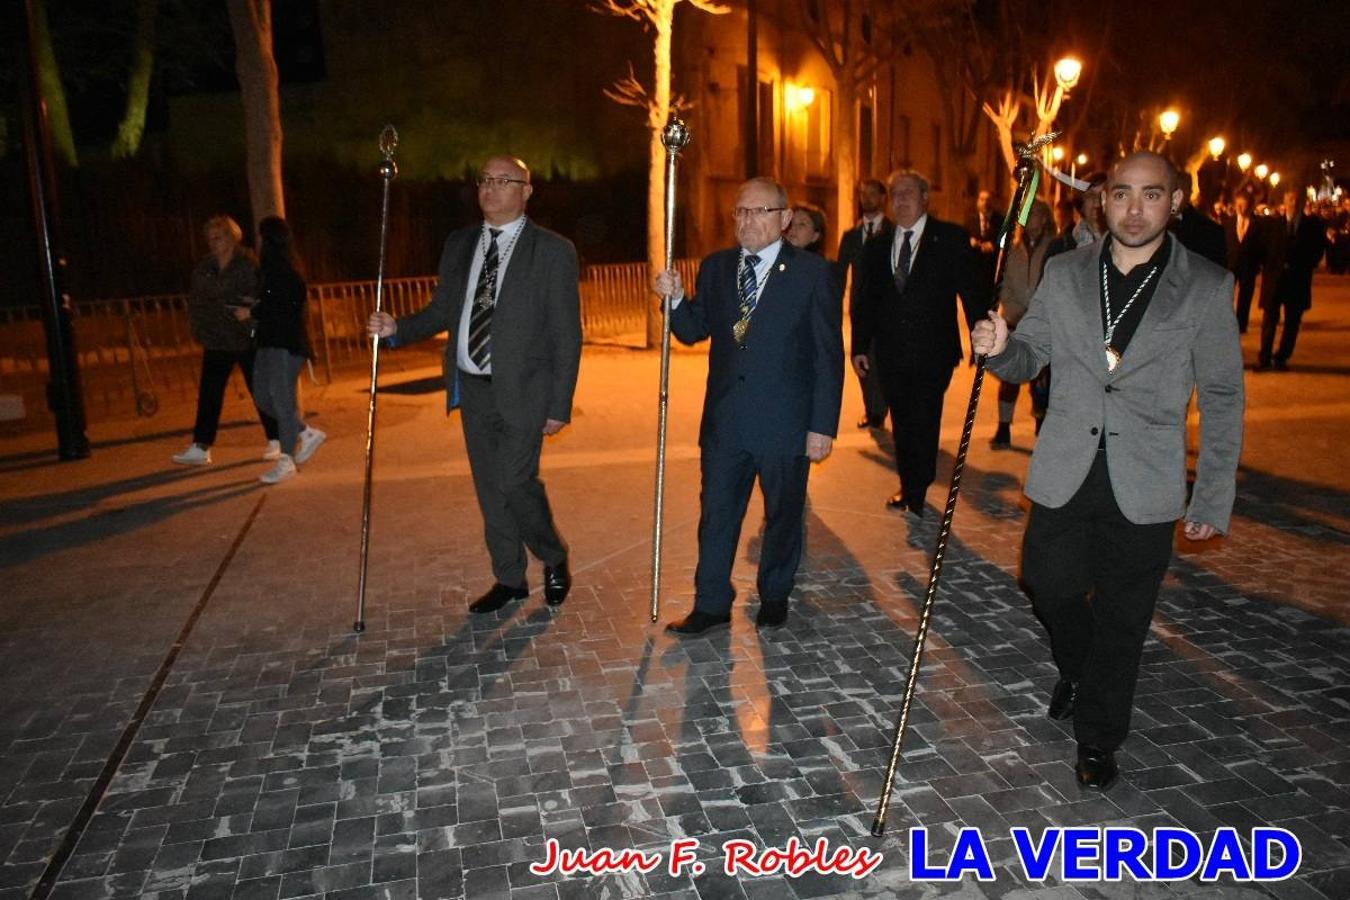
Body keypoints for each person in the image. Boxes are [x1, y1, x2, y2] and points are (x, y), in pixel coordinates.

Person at [971, 151, 1244, 790]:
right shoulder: (1066, 274)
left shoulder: (1206, 285)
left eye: (1152, 195)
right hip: (1067, 465)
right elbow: (1030, 354)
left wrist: (1211, 497)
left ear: (1175, 203)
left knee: (1124, 618)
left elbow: (1224, 396)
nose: (1134, 207)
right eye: (1122, 194)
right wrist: (1001, 347)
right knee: (1047, 583)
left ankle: (1098, 736)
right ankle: (1080, 667)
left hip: (1146, 479)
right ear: (1103, 202)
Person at [368, 155, 581, 613]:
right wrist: (397, 329)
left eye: (504, 181)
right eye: (484, 180)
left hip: (526, 390)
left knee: (515, 481)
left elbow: (567, 332)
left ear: (526, 191)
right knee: (489, 487)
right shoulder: (460, 244)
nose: (491, 188)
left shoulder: (552, 250)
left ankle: (552, 555)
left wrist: (559, 403)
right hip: (473, 386)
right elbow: (444, 309)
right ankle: (509, 578)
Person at [652, 176, 843, 635]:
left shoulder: (812, 273)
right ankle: (712, 602)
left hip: (786, 424)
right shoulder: (717, 267)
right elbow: (693, 329)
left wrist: (822, 426)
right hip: (726, 423)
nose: (747, 221)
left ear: (784, 219)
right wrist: (675, 299)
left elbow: (827, 355)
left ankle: (775, 593)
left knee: (782, 516)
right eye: (740, 211)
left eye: (759, 212)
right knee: (716, 516)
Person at [851, 169, 990, 515]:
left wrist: (980, 336)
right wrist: (858, 346)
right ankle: (909, 483)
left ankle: (919, 485)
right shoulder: (878, 244)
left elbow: (970, 292)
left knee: (924, 418)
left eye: (908, 193)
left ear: (925, 198)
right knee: (901, 420)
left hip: (934, 352)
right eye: (895, 193)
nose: (900, 199)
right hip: (891, 351)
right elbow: (866, 300)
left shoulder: (950, 238)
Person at [172, 215, 279, 466]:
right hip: (217, 338)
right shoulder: (204, 267)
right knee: (210, 393)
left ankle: (276, 439)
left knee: (260, 390)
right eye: (209, 237)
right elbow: (196, 301)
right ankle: (201, 446)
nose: (213, 242)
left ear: (232, 238)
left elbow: (260, 296)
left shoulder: (248, 263)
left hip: (245, 337)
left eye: (218, 236)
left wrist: (251, 319)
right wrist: (198, 329)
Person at [244, 217, 325, 484]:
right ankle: (305, 432)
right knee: (262, 398)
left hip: (285, 345)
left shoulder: (287, 271)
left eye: (262, 238)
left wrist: (253, 310)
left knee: (281, 401)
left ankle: (287, 459)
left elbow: (285, 308)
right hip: (268, 342)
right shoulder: (268, 270)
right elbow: (271, 303)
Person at [990, 199, 1051, 448]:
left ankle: (1041, 426)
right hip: (1014, 319)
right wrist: (1014, 312)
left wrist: (1038, 313)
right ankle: (1004, 427)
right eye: (1026, 214)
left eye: (1035, 213)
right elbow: (1002, 285)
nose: (1030, 218)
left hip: (1044, 322)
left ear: (1045, 219)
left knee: (1042, 379)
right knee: (1010, 378)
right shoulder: (1012, 250)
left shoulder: (1054, 248)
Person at [836, 179, 892, 430]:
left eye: (872, 194)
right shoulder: (851, 237)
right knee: (861, 359)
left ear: (883, 198)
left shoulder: (895, 232)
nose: (866, 198)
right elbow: (839, 274)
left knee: (885, 359)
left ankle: (883, 406)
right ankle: (874, 409)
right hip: (860, 309)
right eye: (862, 194)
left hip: (889, 309)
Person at [1256, 190, 1327, 370]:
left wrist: (1304, 265)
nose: (1293, 204)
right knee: (1269, 319)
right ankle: (1264, 357)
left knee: (1292, 322)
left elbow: (1318, 250)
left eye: (1296, 201)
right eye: (1290, 200)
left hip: (1297, 280)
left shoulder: (1313, 226)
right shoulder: (1273, 225)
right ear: (1284, 202)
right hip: (1275, 279)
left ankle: (1282, 357)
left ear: (1302, 204)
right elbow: (1262, 248)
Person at [1223, 192, 1263, 333]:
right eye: (1238, 204)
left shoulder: (1257, 224)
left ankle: (1241, 324)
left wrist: (1258, 264)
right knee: (1227, 295)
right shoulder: (1228, 222)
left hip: (1249, 266)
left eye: (1243, 205)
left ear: (1250, 206)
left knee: (1245, 296)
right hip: (1230, 265)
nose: (1240, 208)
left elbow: (1261, 246)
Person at [1170, 171, 1227, 268]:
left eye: (1180, 190)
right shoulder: (1146, 223)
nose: (1174, 196)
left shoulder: (1210, 232)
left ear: (1189, 193)